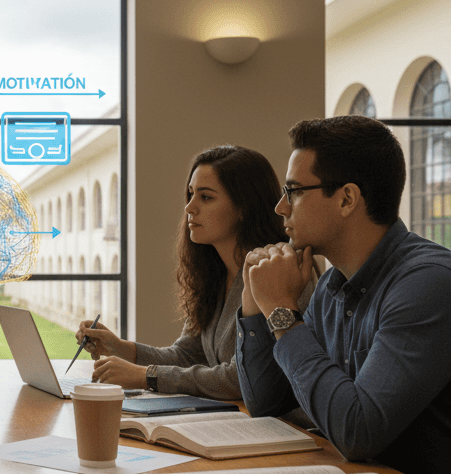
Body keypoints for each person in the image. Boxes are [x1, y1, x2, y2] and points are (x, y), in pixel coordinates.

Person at [238, 116, 451, 474]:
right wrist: (254, 301)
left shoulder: (429, 284)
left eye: (293, 191)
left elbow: (358, 432)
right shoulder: (332, 285)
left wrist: (281, 311)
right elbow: (265, 402)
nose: (280, 207)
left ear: (346, 199)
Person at [76, 145, 315, 400]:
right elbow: (187, 355)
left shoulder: (279, 268)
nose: (189, 207)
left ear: (244, 206)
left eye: (206, 197)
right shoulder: (214, 274)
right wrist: (119, 347)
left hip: (284, 428)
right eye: (190, 194)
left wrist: (146, 375)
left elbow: (241, 378)